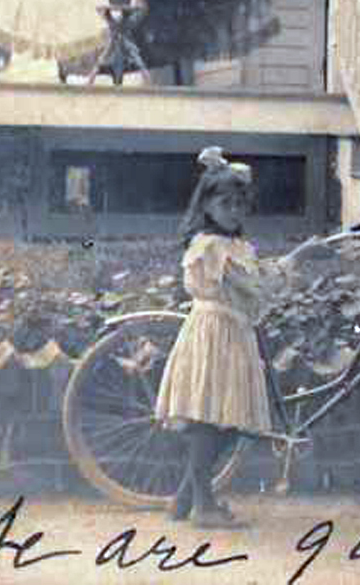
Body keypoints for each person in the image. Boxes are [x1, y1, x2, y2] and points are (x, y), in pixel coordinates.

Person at [153, 146, 325, 528]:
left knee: (230, 420)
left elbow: (252, 280)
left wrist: (292, 260)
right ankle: (202, 505)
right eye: (226, 202)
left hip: (232, 334)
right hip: (215, 335)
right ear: (207, 206)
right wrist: (297, 257)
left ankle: (186, 499)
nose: (234, 210)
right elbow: (256, 285)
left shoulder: (234, 246)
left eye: (241, 203)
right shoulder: (210, 246)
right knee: (213, 420)